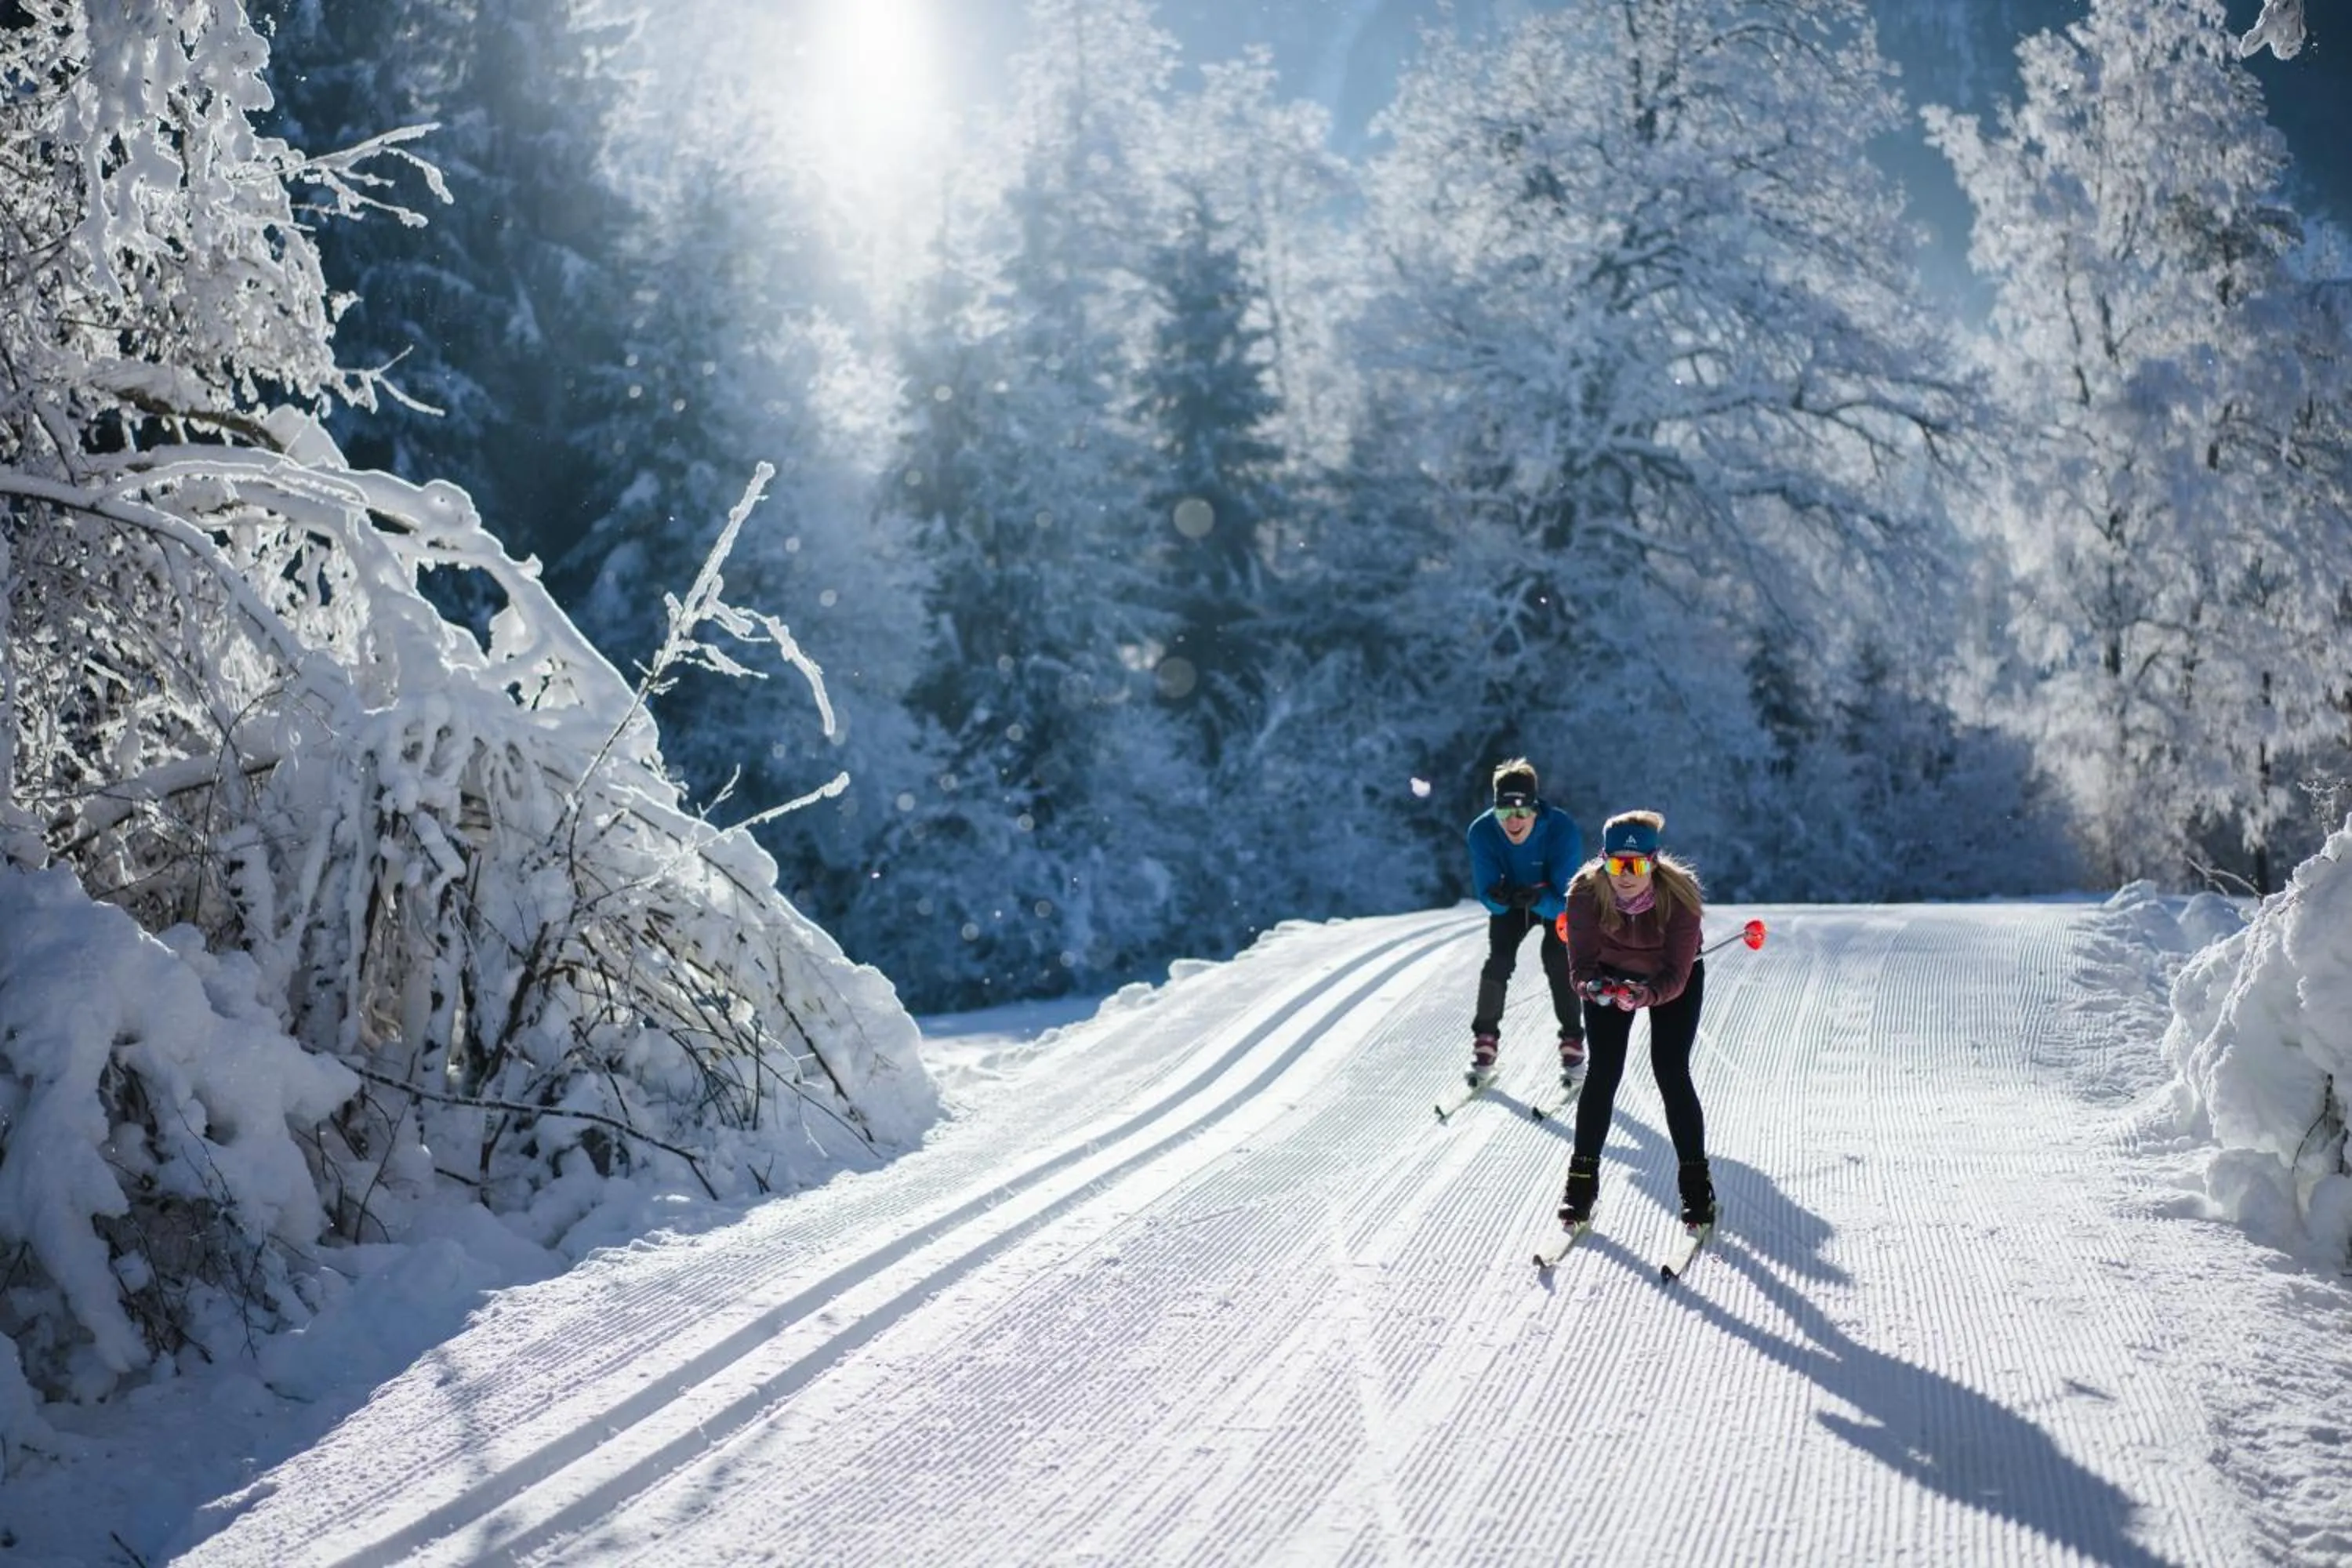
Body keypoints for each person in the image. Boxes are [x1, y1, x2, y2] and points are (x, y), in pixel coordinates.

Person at [1553, 809, 1718, 1231]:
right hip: (1610, 977)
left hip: (1670, 978)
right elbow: (1580, 968)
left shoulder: (1681, 897)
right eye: (1615, 864)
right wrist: (1594, 988)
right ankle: (1581, 1185)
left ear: (1654, 862)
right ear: (1603, 860)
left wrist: (1646, 994)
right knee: (1604, 1072)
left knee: (1670, 1070)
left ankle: (1697, 1187)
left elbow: (1677, 975)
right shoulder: (1584, 895)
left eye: (1636, 865)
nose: (1625, 875)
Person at [1463, 758, 1585, 1087]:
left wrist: (1538, 900)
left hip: (1552, 900)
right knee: (1498, 962)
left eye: (1521, 812)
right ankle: (1485, 1042)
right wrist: (1498, 899)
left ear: (1535, 809)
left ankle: (1573, 1041)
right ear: (1494, 812)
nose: (1513, 822)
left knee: (1558, 958)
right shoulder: (1482, 832)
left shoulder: (1562, 830)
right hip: (1513, 903)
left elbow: (1567, 903)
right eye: (1504, 813)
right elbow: (1487, 894)